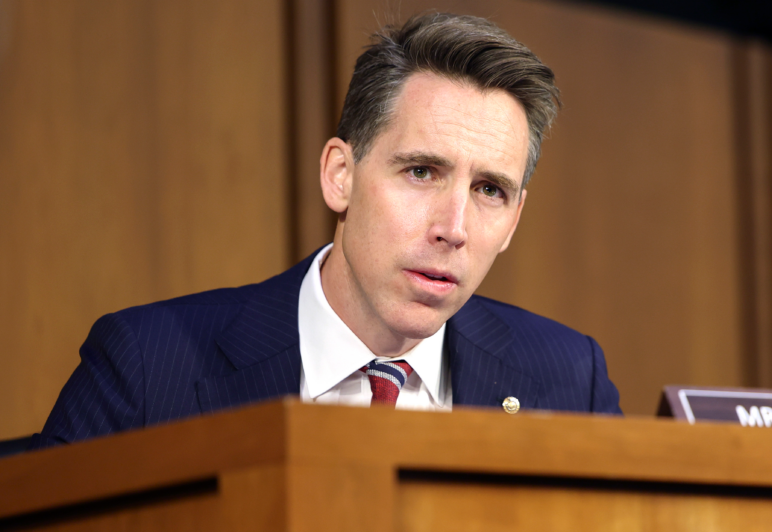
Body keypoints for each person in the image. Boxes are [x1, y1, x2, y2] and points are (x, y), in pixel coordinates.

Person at [32, 12, 621, 449]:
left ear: (514, 218)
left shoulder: (570, 380)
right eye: (421, 171)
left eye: (489, 190)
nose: (454, 228)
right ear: (341, 175)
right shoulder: (146, 368)